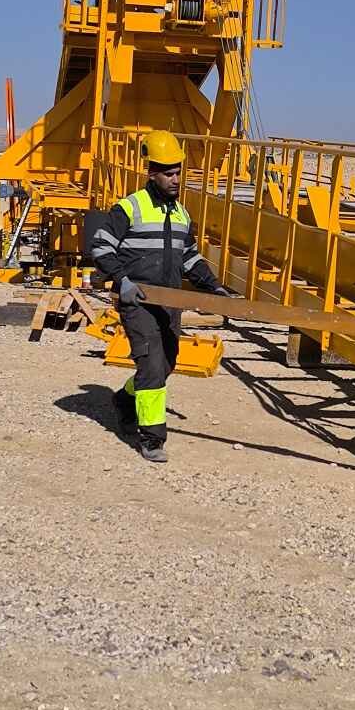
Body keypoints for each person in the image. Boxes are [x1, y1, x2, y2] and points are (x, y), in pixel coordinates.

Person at [90, 129, 230, 462]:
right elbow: (100, 246)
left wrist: (214, 286)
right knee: (152, 365)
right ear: (152, 173)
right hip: (137, 301)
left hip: (170, 302)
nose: (175, 179)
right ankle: (152, 438)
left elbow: (189, 257)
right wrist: (122, 280)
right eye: (168, 173)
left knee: (166, 364)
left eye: (178, 172)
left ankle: (125, 400)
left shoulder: (181, 214)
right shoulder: (130, 207)